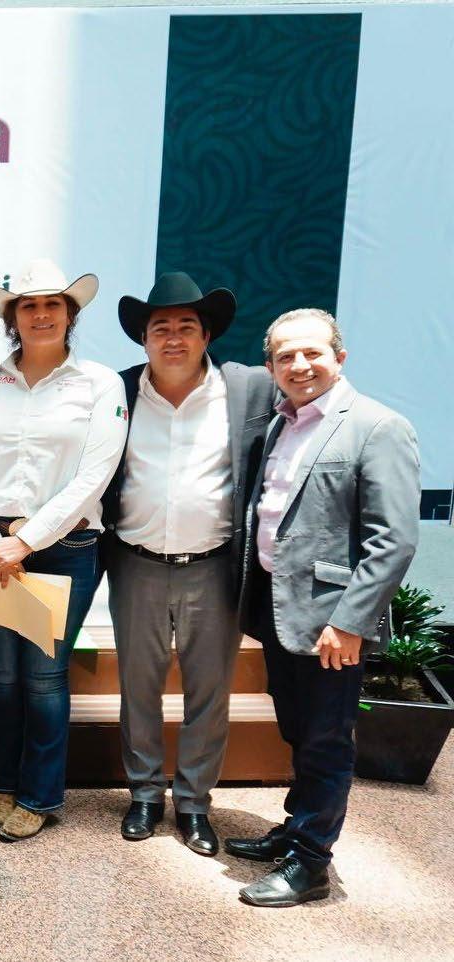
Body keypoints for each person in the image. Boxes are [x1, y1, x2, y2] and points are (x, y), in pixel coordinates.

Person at [229, 309, 419, 907]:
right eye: (285, 356)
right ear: (270, 367)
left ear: (340, 357)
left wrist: (350, 621)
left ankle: (310, 862)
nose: (299, 365)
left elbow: (393, 540)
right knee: (298, 730)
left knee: (327, 741)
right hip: (281, 612)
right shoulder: (279, 424)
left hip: (333, 624)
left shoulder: (377, 426)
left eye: (311, 352)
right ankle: (296, 829)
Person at [100, 272, 274, 856]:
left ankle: (195, 804)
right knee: (138, 686)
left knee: (210, 691)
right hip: (136, 561)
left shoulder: (247, 391)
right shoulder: (120, 393)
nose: (173, 338)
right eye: (160, 328)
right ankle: (145, 794)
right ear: (143, 338)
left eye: (186, 327)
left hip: (214, 566)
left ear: (206, 336)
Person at [0, 258, 127, 842]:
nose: (42, 314)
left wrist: (25, 542)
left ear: (70, 314)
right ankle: (5, 785)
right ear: (13, 317)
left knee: (45, 677)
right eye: (29, 305)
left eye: (54, 304)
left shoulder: (100, 384)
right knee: (2, 676)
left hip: (66, 545)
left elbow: (94, 476)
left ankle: (40, 795)